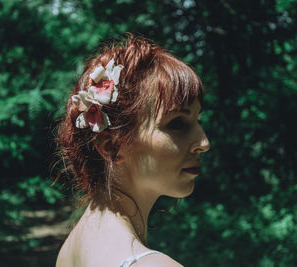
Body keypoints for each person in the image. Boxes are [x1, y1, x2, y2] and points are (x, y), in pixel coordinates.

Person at [55, 35, 210, 267]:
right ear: (111, 146)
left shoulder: (72, 248)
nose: (203, 142)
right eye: (177, 124)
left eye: (198, 120)